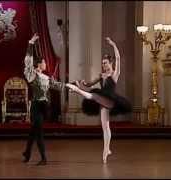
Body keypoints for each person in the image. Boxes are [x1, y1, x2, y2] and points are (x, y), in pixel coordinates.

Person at [66, 37, 132, 164]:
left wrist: (113, 44)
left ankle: (75, 90)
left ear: (110, 63)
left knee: (93, 96)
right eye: (102, 63)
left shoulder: (115, 74)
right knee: (105, 127)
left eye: (105, 63)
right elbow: (90, 85)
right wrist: (83, 83)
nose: (104, 65)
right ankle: (106, 150)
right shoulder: (101, 75)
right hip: (103, 102)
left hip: (110, 100)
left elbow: (118, 58)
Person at [22, 33, 65, 166]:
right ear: (39, 65)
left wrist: (74, 85)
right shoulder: (32, 75)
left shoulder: (46, 78)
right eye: (44, 62)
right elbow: (28, 61)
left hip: (44, 107)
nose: (46, 63)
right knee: (38, 131)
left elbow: (59, 86)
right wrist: (30, 43)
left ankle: (27, 152)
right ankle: (43, 158)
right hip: (36, 106)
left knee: (33, 130)